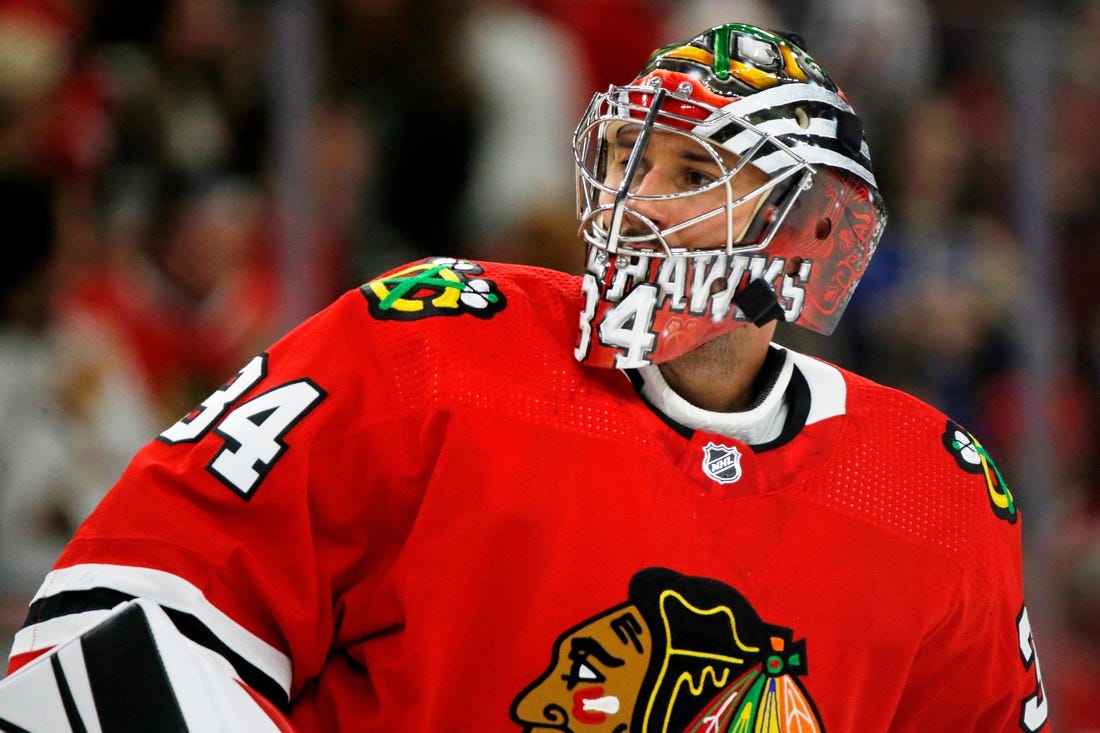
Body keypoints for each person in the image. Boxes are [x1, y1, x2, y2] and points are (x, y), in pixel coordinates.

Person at [0, 22, 1047, 732]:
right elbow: (103, 629)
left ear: (811, 232)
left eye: (690, 174)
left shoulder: (935, 494)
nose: (636, 201)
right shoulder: (426, 344)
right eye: (630, 159)